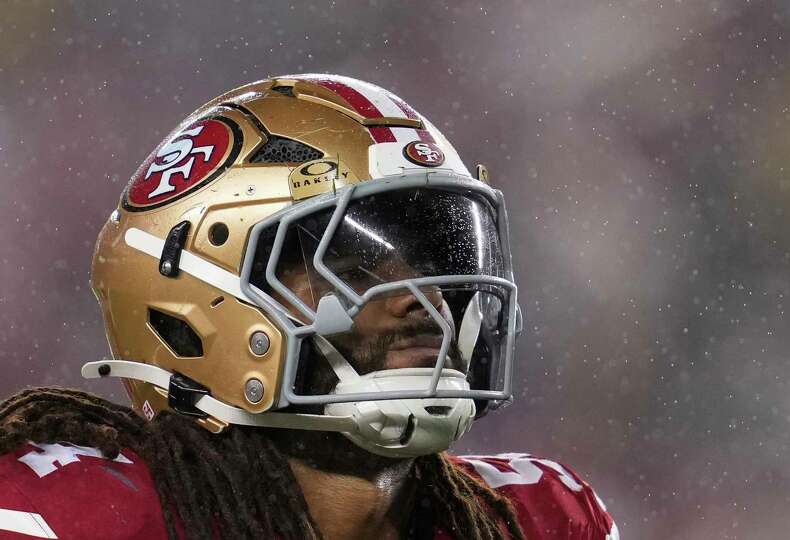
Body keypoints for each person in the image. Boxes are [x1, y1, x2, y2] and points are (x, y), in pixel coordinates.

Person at [0, 74, 618, 540]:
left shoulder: (532, 518)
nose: (421, 301)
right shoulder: (68, 514)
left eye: (434, 268)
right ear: (194, 306)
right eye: (350, 270)